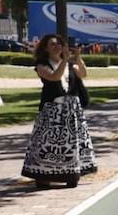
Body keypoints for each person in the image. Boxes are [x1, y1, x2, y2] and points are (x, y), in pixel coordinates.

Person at [21, 34, 96, 188]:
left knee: (71, 144)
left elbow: (83, 73)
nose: (57, 47)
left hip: (71, 112)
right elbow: (55, 77)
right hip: (52, 112)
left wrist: (78, 57)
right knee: (47, 144)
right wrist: (65, 61)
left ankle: (70, 174)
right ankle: (43, 176)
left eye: (59, 44)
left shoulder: (69, 65)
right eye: (53, 44)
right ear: (46, 48)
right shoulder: (42, 65)